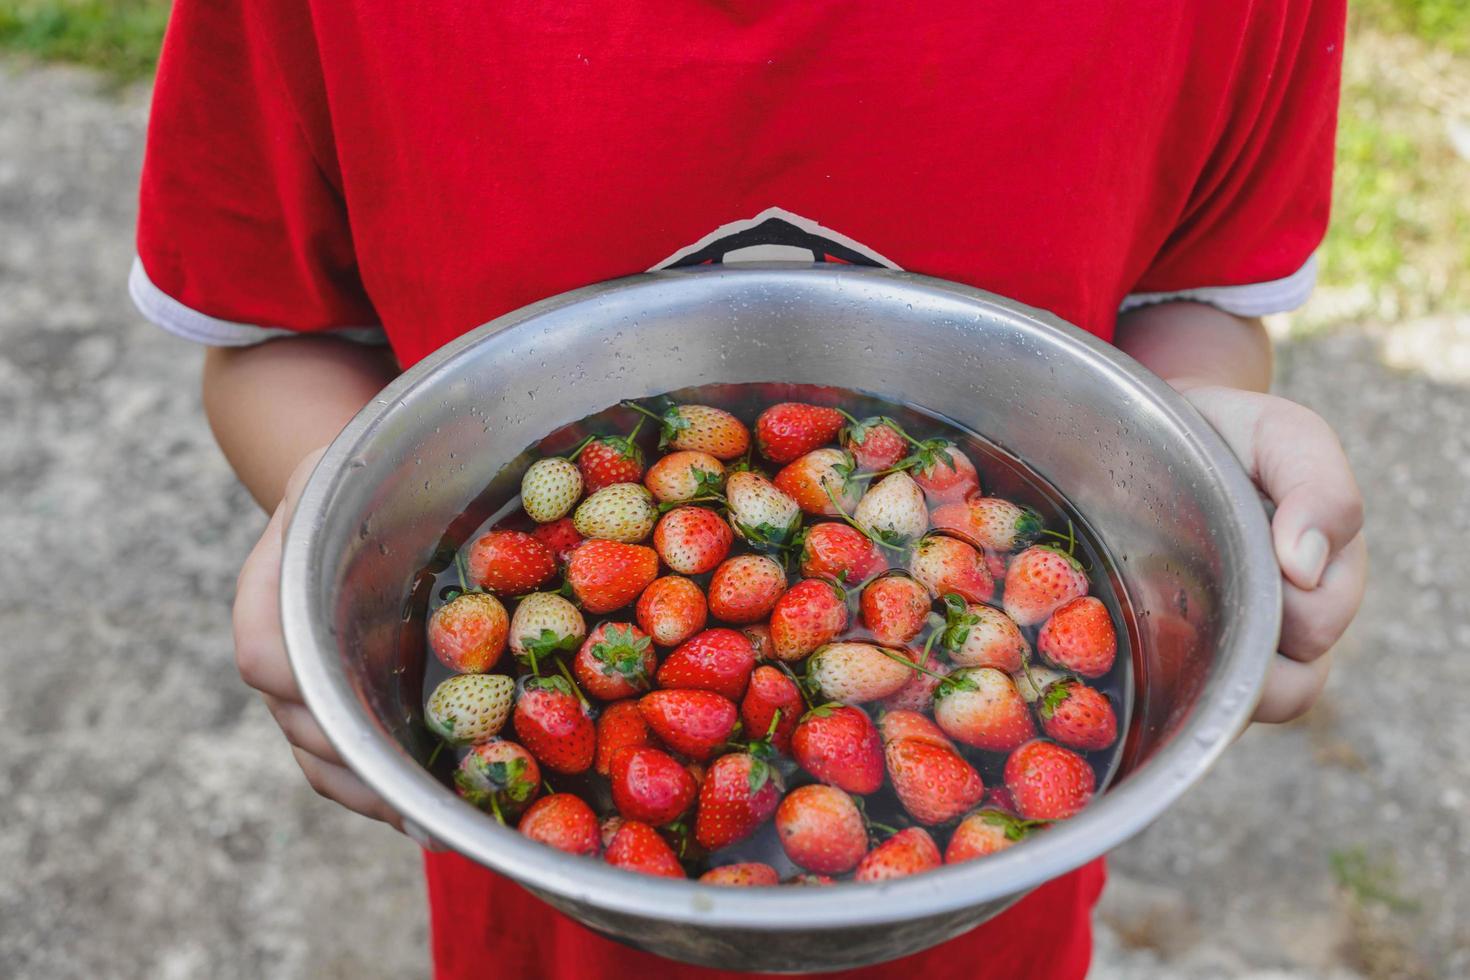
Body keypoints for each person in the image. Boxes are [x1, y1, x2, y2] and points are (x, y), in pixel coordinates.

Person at [130, 2, 1367, 976]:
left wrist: (1190, 486)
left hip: (988, 915)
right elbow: (265, 336)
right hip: (539, 912)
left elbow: (1192, 301)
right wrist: (337, 524)